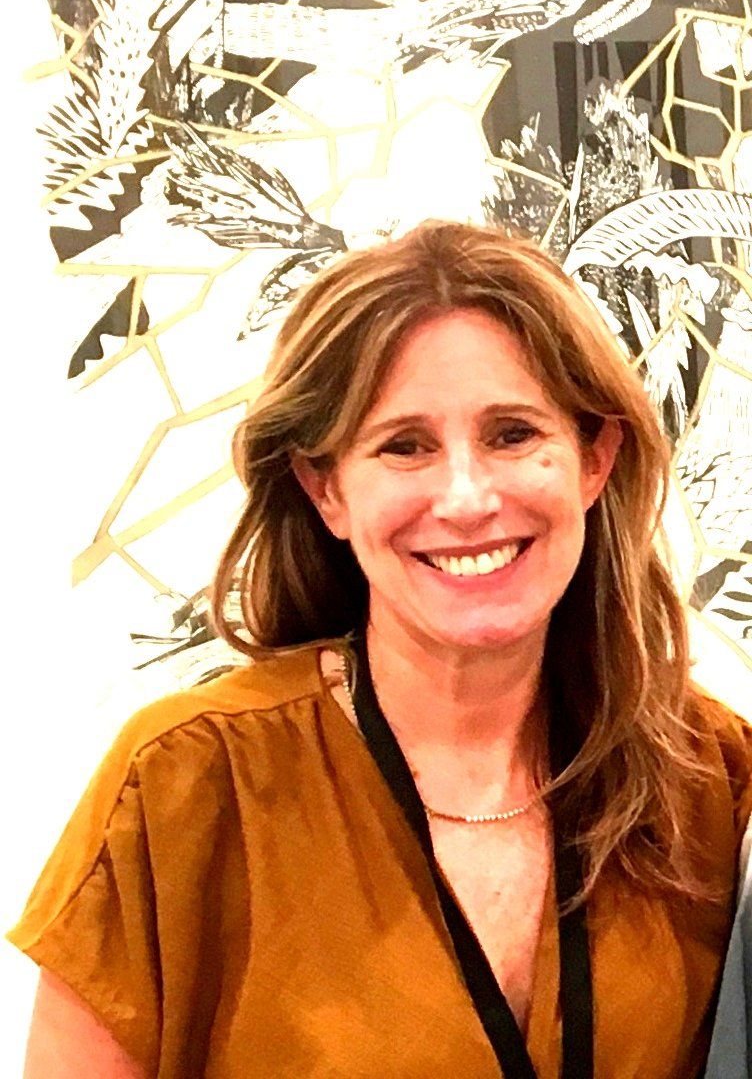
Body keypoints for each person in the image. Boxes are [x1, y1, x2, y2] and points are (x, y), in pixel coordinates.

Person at [9, 220, 752, 1078]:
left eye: (513, 434)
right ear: (325, 489)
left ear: (595, 459)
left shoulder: (711, 779)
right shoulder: (185, 784)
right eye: (405, 446)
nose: (466, 498)